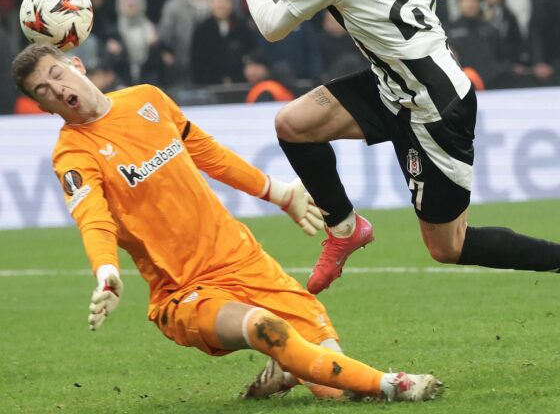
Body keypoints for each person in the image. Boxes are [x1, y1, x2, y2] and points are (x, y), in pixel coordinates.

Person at [9, 43, 440, 403]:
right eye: (42, 90)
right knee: (262, 327)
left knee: (335, 388)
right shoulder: (73, 155)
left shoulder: (148, 100)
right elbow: (93, 218)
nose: (55, 89)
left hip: (241, 258)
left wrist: (278, 191)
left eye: (56, 74)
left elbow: (208, 153)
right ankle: (394, 385)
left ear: (76, 64)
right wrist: (106, 270)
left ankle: (288, 370)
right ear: (43, 106)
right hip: (183, 290)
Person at [228, 0, 560, 296]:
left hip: (435, 110)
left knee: (448, 246)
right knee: (292, 123)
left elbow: (271, 26)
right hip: (395, 86)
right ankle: (345, 229)